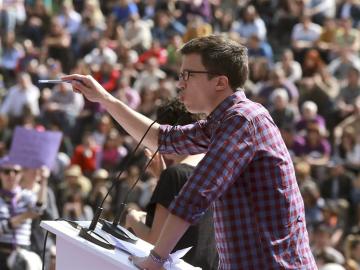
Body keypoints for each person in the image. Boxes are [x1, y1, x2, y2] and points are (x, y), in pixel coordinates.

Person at [63, 35, 317, 269]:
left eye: (188, 75)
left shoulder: (242, 120)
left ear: (220, 82)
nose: (179, 83)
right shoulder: (225, 120)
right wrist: (106, 99)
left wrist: (155, 260)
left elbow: (195, 195)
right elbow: (160, 139)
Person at [125, 99, 218, 269]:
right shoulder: (217, 171)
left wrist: (132, 218)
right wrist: (162, 177)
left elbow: (154, 241)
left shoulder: (175, 175)